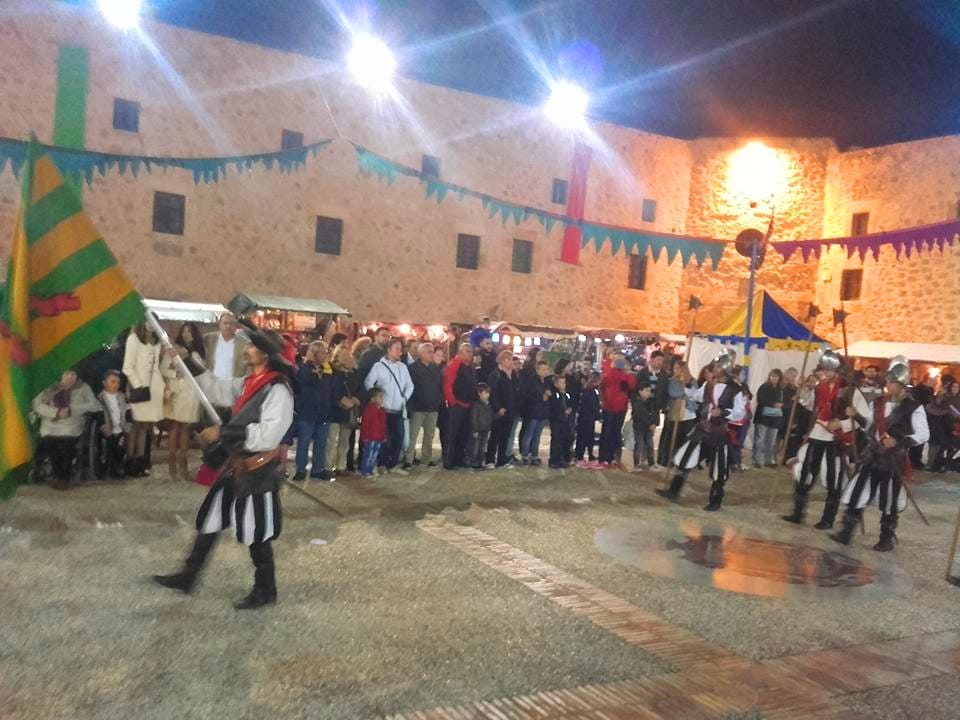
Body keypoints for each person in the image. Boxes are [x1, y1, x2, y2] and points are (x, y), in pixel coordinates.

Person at [152, 327, 294, 610]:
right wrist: (186, 359)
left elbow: (269, 435)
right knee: (212, 520)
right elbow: (216, 388)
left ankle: (266, 589)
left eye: (252, 347)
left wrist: (224, 432)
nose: (247, 350)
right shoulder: (249, 383)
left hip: (257, 471)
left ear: (265, 355)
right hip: (237, 466)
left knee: (256, 531)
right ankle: (188, 575)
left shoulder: (278, 390)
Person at [832, 359, 929, 552]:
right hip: (872, 455)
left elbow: (923, 434)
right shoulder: (878, 402)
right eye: (888, 381)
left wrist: (898, 441)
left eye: (891, 382)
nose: (887, 385)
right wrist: (855, 415)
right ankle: (846, 531)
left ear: (901, 385)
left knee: (889, 499)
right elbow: (869, 426)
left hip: (893, 460)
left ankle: (886, 538)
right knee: (858, 492)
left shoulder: (913, 407)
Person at [784, 350, 872, 529]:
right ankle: (797, 513)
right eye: (823, 369)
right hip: (817, 434)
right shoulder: (819, 387)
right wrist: (802, 392)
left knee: (833, 479)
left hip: (836, 440)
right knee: (805, 474)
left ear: (838, 370)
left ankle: (828, 519)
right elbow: (811, 405)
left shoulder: (849, 389)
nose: (825, 373)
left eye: (829, 370)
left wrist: (842, 423)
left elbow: (864, 419)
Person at [658, 350, 746, 511]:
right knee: (685, 458)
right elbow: (697, 396)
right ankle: (673, 491)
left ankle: (715, 500)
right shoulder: (709, 384)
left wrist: (724, 413)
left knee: (719, 468)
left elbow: (740, 412)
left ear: (725, 368)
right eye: (715, 366)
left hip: (719, 433)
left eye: (718, 366)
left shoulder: (735, 389)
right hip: (702, 429)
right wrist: (684, 387)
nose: (715, 369)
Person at [32, 370, 101, 489]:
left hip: (72, 425)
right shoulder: (49, 386)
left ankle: (63, 476)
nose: (70, 377)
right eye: (67, 374)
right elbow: (37, 405)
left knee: (65, 443)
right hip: (51, 425)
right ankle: (56, 474)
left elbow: (95, 405)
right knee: (50, 442)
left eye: (73, 374)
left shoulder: (83, 387)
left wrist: (72, 409)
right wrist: (56, 412)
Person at [364, 338, 414, 474]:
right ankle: (382, 464)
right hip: (383, 409)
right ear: (389, 350)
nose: (400, 352)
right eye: (397, 349)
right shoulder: (378, 366)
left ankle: (393, 464)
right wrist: (376, 399)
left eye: (400, 349)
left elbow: (410, 385)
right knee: (383, 437)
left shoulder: (403, 367)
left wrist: (404, 398)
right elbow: (368, 382)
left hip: (398, 409)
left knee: (399, 438)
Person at [161, 323, 204, 481]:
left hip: (191, 394)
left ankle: (183, 465)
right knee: (174, 428)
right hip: (176, 392)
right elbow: (163, 369)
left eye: (189, 331)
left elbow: (203, 370)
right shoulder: (173, 350)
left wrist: (190, 357)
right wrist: (175, 373)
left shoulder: (198, 352)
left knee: (186, 429)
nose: (186, 334)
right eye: (184, 331)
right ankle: (172, 465)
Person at [122, 321, 166, 477]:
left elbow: (157, 366)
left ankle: (141, 463)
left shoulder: (157, 341)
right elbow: (127, 367)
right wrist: (138, 385)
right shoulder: (133, 339)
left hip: (154, 389)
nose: (151, 324)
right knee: (135, 426)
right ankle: (130, 462)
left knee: (145, 427)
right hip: (139, 389)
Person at [294, 342, 334, 481]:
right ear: (314, 353)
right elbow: (304, 380)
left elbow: (330, 389)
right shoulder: (303, 368)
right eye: (322, 352)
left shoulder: (327, 369)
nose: (325, 355)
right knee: (304, 443)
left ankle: (317, 469)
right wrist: (309, 363)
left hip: (323, 412)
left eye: (325, 352)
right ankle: (301, 469)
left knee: (321, 443)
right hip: (307, 412)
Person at [404, 342, 443, 469]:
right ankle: (408, 459)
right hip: (417, 407)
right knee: (413, 435)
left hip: (432, 407)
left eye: (432, 352)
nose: (432, 354)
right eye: (429, 352)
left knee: (429, 435)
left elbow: (439, 386)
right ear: (421, 353)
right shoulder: (412, 368)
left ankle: (426, 459)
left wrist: (438, 400)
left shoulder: (435, 368)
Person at [326, 346, 360, 478]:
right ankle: (327, 466)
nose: (346, 357)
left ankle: (341, 466)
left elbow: (359, 387)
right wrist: (340, 400)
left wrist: (355, 399)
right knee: (331, 440)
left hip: (348, 412)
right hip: (334, 411)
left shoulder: (354, 372)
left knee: (344, 441)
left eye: (348, 354)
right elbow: (329, 388)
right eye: (343, 354)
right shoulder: (331, 371)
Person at [443, 343, 477, 469]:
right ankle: (449, 461)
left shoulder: (470, 367)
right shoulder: (454, 364)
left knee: (463, 433)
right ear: (460, 352)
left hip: (467, 405)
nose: (470, 354)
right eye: (468, 351)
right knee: (453, 434)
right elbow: (447, 384)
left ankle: (459, 459)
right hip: (457, 405)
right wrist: (453, 402)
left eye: (471, 351)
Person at [598, 355, 636, 467]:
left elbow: (601, 386)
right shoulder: (626, 377)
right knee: (615, 432)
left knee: (606, 432)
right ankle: (611, 457)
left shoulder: (608, 375)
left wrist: (603, 400)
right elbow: (632, 386)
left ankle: (603, 457)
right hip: (621, 408)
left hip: (608, 406)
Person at [486, 350, 518, 467]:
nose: (511, 362)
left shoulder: (513, 374)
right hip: (499, 411)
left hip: (510, 410)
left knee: (505, 436)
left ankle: (502, 459)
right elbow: (493, 393)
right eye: (508, 359)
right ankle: (490, 460)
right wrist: (498, 408)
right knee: (495, 436)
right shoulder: (496, 374)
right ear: (502, 360)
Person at [520, 360, 551, 465]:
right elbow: (528, 395)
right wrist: (542, 396)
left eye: (546, 369)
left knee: (537, 435)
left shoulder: (546, 381)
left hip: (542, 412)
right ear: (537, 370)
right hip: (532, 411)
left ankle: (534, 455)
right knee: (529, 434)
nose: (545, 371)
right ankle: (525, 454)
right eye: (543, 369)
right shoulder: (531, 381)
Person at [98, 369, 128, 479]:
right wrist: (104, 427)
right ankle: (107, 467)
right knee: (108, 448)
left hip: (120, 428)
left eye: (118, 382)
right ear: (104, 383)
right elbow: (99, 414)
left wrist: (126, 426)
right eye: (112, 382)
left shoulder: (121, 396)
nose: (116, 385)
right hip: (107, 428)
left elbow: (126, 411)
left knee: (120, 448)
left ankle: (117, 467)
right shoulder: (101, 397)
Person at [203, 312, 250, 380]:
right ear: (219, 324)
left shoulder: (243, 343)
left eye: (232, 323)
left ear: (236, 326)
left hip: (233, 384)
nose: (228, 326)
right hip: (210, 382)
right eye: (225, 323)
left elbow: (249, 365)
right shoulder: (209, 339)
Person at [754, 369, 785, 468]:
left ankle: (768, 460)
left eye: (776, 376)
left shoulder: (781, 389)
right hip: (763, 417)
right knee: (760, 439)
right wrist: (773, 404)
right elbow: (760, 400)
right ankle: (757, 460)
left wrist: (781, 405)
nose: (773, 378)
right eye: (772, 376)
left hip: (775, 418)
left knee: (771, 440)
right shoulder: (764, 387)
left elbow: (786, 402)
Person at [909, 374, 937, 469]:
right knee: (918, 437)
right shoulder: (919, 390)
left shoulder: (929, 390)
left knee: (922, 438)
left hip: (926, 416)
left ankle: (916, 460)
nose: (934, 382)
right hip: (919, 416)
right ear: (927, 380)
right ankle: (914, 460)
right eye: (932, 380)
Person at [359, 388, 388, 477]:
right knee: (368, 454)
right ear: (372, 399)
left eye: (382, 397)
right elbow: (365, 424)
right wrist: (365, 436)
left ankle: (370, 469)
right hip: (370, 437)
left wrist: (384, 436)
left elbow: (383, 425)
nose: (382, 399)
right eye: (380, 397)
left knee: (375, 454)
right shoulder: (368, 410)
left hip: (378, 437)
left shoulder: (381, 410)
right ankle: (365, 470)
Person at [357, 327, 392, 399]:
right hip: (372, 394)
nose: (386, 338)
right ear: (376, 337)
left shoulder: (388, 353)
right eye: (383, 335)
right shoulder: (368, 354)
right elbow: (361, 375)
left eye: (388, 336)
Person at [575, 372, 601, 464]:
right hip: (587, 417)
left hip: (587, 417)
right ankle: (580, 455)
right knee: (585, 437)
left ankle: (587, 454)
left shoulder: (589, 390)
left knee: (587, 437)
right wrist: (597, 415)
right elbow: (591, 405)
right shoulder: (589, 391)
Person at [630, 382, 657, 472]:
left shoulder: (650, 402)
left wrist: (653, 423)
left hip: (648, 428)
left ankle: (651, 463)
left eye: (649, 391)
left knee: (650, 445)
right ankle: (636, 464)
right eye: (646, 391)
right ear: (640, 391)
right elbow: (641, 415)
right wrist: (650, 424)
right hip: (639, 428)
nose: (648, 393)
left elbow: (653, 413)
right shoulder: (637, 402)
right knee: (639, 445)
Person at [548, 375, 573, 468]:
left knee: (563, 439)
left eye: (564, 383)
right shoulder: (555, 394)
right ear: (556, 384)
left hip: (565, 420)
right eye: (561, 383)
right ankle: (554, 460)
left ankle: (561, 458)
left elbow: (570, 403)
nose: (563, 385)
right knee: (556, 440)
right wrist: (563, 411)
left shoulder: (566, 394)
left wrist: (569, 409)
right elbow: (554, 406)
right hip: (556, 420)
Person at [468, 383, 494, 469]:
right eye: (485, 392)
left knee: (482, 448)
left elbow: (490, 417)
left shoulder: (489, 405)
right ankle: (473, 462)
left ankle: (479, 462)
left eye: (488, 393)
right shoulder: (476, 405)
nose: (487, 395)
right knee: (475, 447)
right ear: (479, 393)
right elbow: (473, 418)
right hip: (478, 429)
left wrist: (489, 428)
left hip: (485, 429)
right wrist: (474, 430)